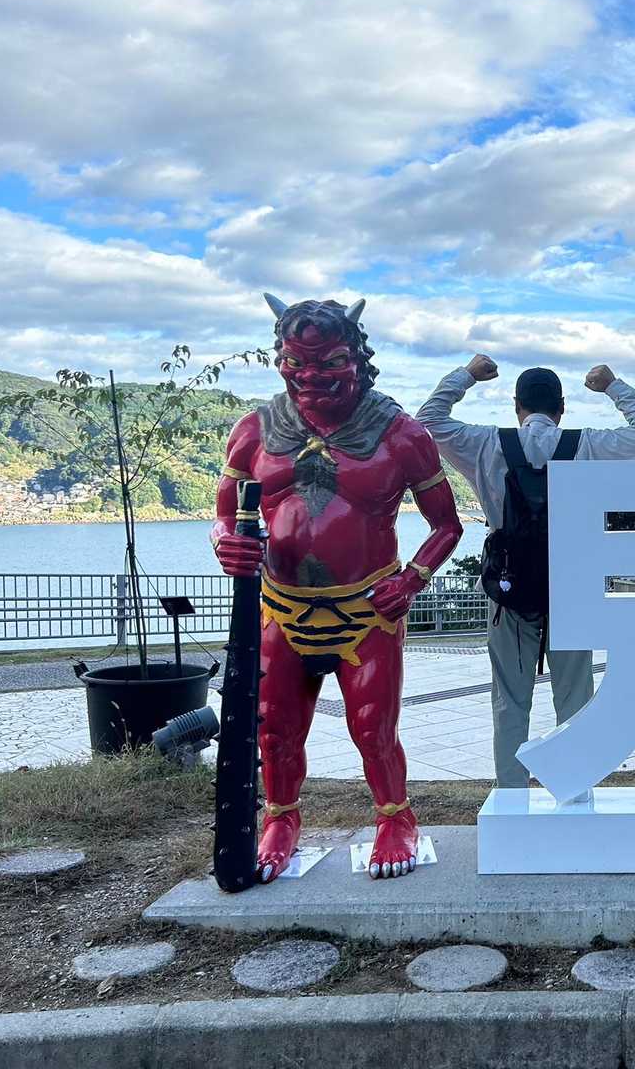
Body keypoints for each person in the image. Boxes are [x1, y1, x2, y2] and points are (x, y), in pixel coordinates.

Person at [212, 295, 463, 882]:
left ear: (357, 359)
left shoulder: (401, 434)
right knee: (273, 726)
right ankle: (280, 819)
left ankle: (395, 818)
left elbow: (447, 525)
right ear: (280, 359)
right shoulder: (253, 430)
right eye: (296, 363)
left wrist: (413, 578)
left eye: (329, 363)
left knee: (373, 726)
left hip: (367, 609)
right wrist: (226, 541)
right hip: (281, 607)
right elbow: (225, 513)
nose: (311, 377)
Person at [418, 354, 635, 787]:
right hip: (572, 592)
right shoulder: (587, 446)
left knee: (510, 701)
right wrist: (613, 386)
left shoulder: (486, 444)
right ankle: (575, 789)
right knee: (575, 700)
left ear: (517, 406)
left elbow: (427, 422)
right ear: (561, 408)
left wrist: (467, 376)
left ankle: (512, 795)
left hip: (509, 593)